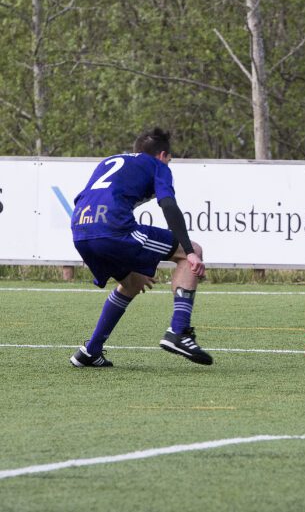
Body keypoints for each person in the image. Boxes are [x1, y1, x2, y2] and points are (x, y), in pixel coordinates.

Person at [70, 128, 213, 367]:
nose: (168, 163)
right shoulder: (158, 166)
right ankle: (178, 332)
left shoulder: (110, 161)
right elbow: (168, 204)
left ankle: (90, 351)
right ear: (162, 154)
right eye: (169, 159)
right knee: (193, 252)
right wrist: (188, 250)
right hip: (114, 229)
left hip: (80, 231)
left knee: (133, 283)